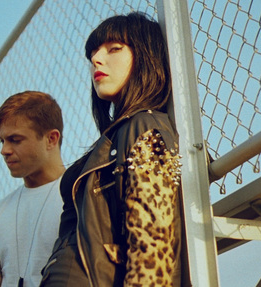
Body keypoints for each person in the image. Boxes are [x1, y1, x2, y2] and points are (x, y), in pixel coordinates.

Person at [39, 12, 184, 287]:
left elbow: (151, 247)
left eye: (114, 49)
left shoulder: (145, 127)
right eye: (92, 53)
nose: (96, 59)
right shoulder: (115, 137)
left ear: (145, 56)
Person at [0, 91, 66, 287]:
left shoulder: (82, 197)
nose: (4, 150)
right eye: (2, 140)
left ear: (51, 139)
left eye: (15, 140)